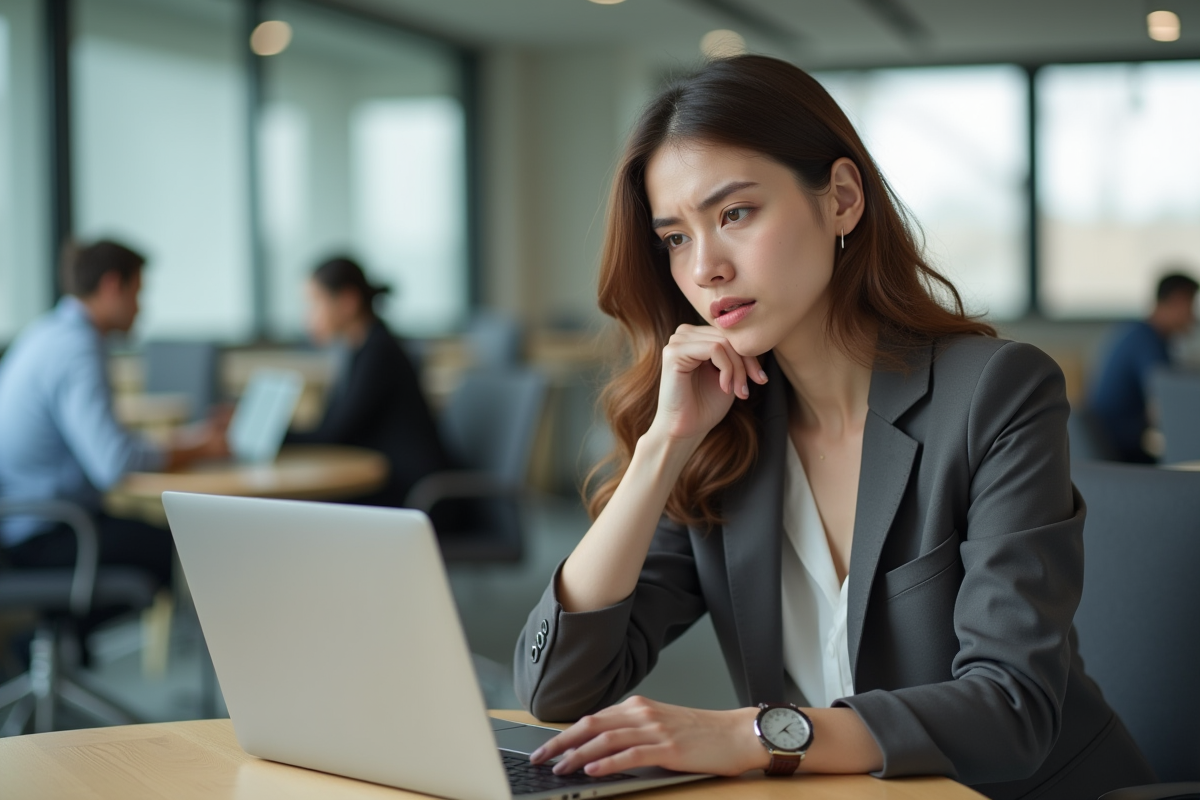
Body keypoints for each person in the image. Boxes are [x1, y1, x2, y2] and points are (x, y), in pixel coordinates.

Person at [512, 56, 1154, 799]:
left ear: (842, 199)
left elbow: (1011, 708)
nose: (706, 267)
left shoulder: (995, 394)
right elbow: (557, 686)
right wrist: (663, 450)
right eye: (675, 238)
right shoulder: (725, 434)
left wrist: (747, 733)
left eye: (735, 214)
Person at [0, 240, 227, 592]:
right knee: (194, 547)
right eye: (137, 294)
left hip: (29, 522)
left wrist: (188, 442)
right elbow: (114, 462)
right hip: (51, 532)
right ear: (111, 286)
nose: (140, 309)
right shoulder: (77, 348)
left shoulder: (44, 333)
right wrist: (198, 447)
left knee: (160, 533)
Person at [287, 257, 450, 507]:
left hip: (416, 497)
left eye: (315, 303)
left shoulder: (379, 353)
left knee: (306, 510)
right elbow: (329, 426)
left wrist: (271, 439)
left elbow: (333, 434)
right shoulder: (357, 351)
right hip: (393, 485)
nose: (307, 318)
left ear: (348, 302)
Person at [1087, 271, 1198, 462]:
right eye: (1191, 306)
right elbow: (1166, 405)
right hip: (1124, 454)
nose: (1193, 318)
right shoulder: (1148, 341)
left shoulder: (1133, 331)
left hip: (1107, 453)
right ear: (1178, 301)